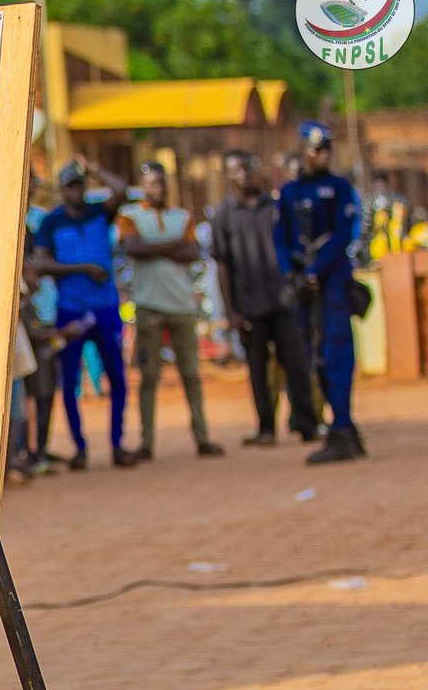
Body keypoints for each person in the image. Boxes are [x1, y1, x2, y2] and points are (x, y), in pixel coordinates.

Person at [211, 150, 320, 446]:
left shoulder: (274, 208)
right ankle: (266, 427)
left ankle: (305, 422)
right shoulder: (224, 215)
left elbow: (294, 248)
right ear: (227, 176)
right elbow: (222, 265)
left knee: (296, 364)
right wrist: (231, 310)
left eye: (245, 168)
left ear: (254, 169)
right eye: (234, 170)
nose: (242, 174)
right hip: (249, 304)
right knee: (258, 370)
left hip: (282, 299)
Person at [34, 159, 137, 469]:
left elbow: (121, 189)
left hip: (105, 307)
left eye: (79, 184)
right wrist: (82, 269)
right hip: (71, 309)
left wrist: (93, 167)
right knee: (70, 382)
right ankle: (79, 447)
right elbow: (41, 264)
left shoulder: (99, 212)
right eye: (69, 186)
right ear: (61, 191)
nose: (75, 191)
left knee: (116, 376)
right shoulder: (51, 223)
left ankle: (117, 444)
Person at [117, 164, 224, 460]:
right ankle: (147, 442)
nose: (158, 189)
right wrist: (173, 245)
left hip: (183, 305)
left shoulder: (182, 217)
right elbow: (133, 248)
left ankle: (202, 437)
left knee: (191, 372)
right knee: (149, 376)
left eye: (161, 183)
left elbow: (192, 252)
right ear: (142, 185)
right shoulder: (130, 215)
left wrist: (154, 247)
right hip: (149, 305)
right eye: (151, 183)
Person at [276, 121, 364, 464]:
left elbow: (344, 234)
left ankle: (341, 430)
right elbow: (281, 238)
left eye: (326, 149)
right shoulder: (290, 193)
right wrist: (294, 274)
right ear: (303, 152)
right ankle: (344, 427)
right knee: (313, 360)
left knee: (336, 354)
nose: (322, 155)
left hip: (333, 285)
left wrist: (316, 271)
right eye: (315, 150)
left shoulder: (339, 188)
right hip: (304, 291)